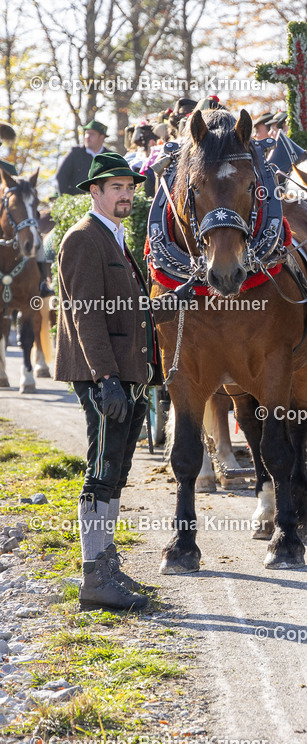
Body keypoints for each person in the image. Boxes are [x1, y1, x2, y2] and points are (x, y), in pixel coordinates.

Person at [54, 152, 161, 610]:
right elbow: (87, 315)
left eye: (130, 187)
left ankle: (107, 564)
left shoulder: (114, 236)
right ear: (94, 191)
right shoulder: (83, 238)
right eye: (116, 187)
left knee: (116, 472)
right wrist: (105, 377)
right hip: (104, 377)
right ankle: (94, 578)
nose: (126, 195)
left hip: (127, 374)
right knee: (100, 473)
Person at [56, 119, 108, 195]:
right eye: (87, 133)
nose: (87, 137)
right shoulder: (75, 153)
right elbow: (61, 176)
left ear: (101, 137)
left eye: (92, 134)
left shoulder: (109, 156)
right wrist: (68, 198)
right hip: (77, 201)